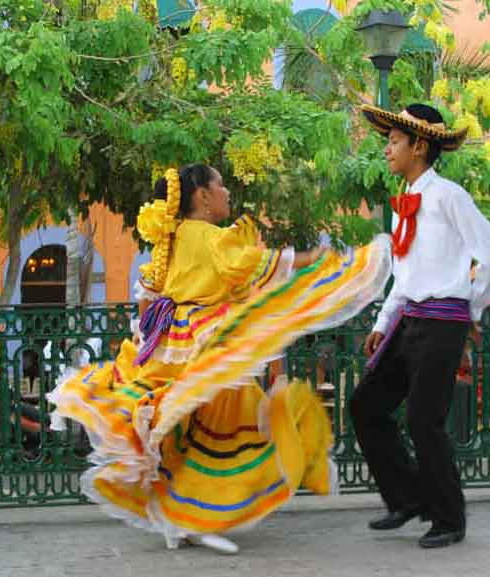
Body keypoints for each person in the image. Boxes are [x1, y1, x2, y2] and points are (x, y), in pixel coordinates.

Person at [48, 163, 392, 553]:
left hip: (172, 336)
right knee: (224, 420)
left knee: (185, 422)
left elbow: (151, 288)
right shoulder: (210, 237)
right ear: (203, 197)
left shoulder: (175, 237)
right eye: (221, 186)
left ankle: (181, 515)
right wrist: (309, 257)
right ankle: (193, 515)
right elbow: (249, 264)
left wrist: (146, 332)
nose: (228, 193)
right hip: (199, 335)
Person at [350, 103, 490, 549]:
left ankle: (448, 518)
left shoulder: (450, 196)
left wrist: (471, 309)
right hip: (410, 320)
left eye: (394, 142)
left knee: (424, 421)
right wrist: (383, 321)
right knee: (366, 406)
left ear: (419, 146)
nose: (386, 150)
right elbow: (405, 275)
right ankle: (406, 499)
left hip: (443, 323)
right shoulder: (406, 204)